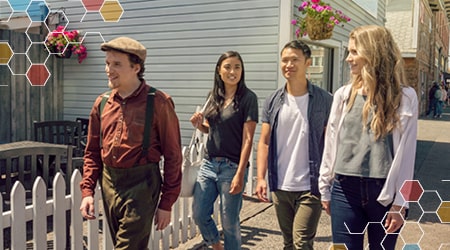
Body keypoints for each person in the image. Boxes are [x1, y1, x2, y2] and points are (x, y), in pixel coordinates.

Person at [319, 25, 418, 249]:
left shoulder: (404, 97)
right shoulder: (343, 96)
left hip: (385, 193)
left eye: (354, 52)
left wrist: (400, 203)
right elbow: (331, 143)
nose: (348, 59)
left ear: (373, 53)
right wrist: (324, 185)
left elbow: (407, 155)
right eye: (348, 52)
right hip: (345, 189)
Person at [79, 36, 182, 249]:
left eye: (117, 64)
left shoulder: (159, 102)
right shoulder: (102, 103)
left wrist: (167, 202)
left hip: (142, 184)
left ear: (136, 67)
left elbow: (173, 155)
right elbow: (92, 152)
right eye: (107, 63)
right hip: (109, 181)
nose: (109, 69)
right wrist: (87, 192)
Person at [255, 40, 333, 249]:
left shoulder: (325, 100)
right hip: (281, 185)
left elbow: (331, 144)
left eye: (294, 60)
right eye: (285, 60)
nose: (288, 64)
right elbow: (264, 142)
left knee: (302, 243)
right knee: (288, 243)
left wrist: (330, 180)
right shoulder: (273, 100)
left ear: (308, 63)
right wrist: (261, 177)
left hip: (310, 186)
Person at [190, 51, 258, 250]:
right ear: (219, 70)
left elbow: (248, 140)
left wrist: (240, 173)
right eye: (228, 66)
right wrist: (198, 125)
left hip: (232, 166)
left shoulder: (248, 98)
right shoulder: (213, 97)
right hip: (209, 164)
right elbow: (212, 131)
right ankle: (216, 246)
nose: (232, 71)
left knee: (229, 221)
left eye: (237, 67)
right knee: (199, 214)